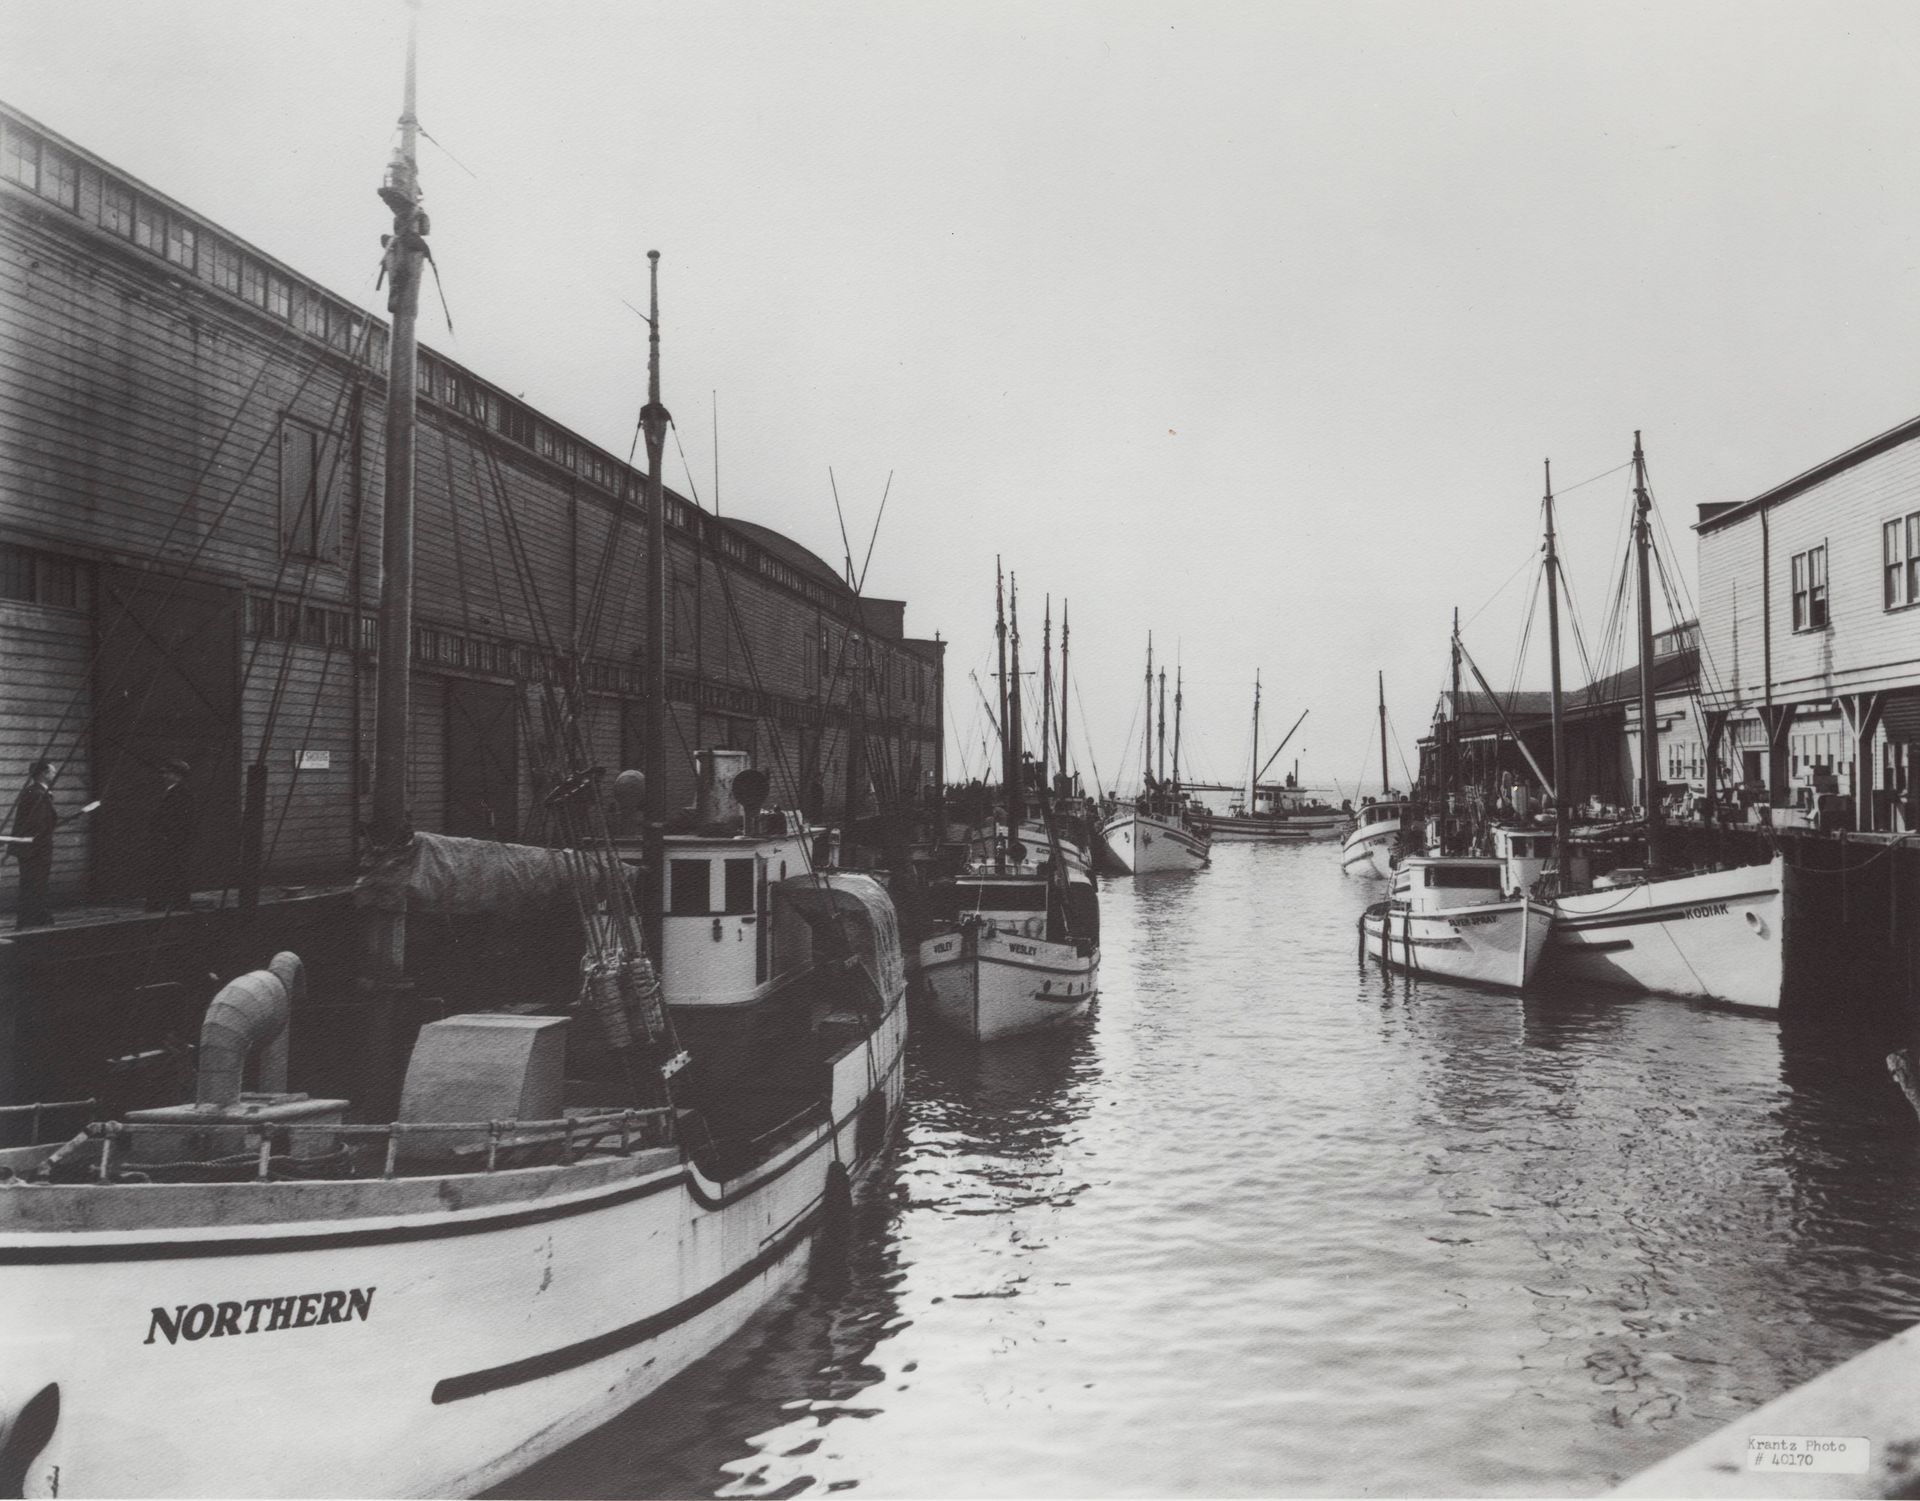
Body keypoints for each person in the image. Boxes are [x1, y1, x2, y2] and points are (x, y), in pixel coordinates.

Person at [6, 759, 58, 929]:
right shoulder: (37, 794)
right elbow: (38, 823)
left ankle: (34, 918)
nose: (54, 774)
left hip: (31, 848)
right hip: (36, 849)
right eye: (52, 771)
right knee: (35, 884)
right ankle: (34, 920)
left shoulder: (34, 791)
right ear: (43, 773)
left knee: (32, 884)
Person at [146, 758, 198, 912]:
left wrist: (169, 836)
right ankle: (167, 903)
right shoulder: (170, 792)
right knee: (168, 871)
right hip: (166, 840)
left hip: (173, 841)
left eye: (168, 773)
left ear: (178, 776)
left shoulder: (182, 794)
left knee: (174, 871)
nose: (164, 776)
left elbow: (181, 820)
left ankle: (176, 904)